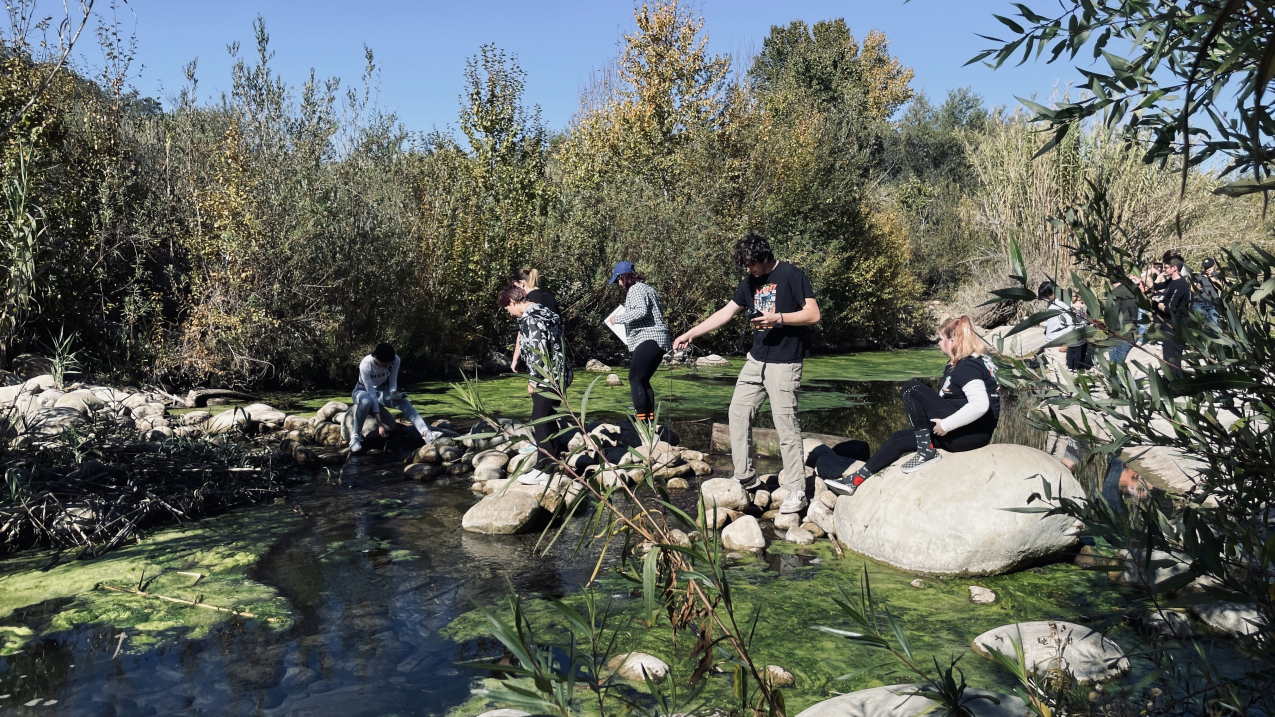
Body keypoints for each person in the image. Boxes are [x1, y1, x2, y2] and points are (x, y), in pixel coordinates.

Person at [672, 234, 820, 514]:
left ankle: (797, 490)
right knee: (738, 413)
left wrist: (778, 318)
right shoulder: (749, 282)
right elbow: (726, 313)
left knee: (785, 424)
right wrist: (690, 333)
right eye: (744, 265)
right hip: (756, 360)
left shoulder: (791, 275)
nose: (747, 269)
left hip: (785, 362)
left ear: (764, 258)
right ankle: (746, 477)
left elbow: (813, 314)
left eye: (750, 264)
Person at [823, 316, 1000, 496]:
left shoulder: (968, 366)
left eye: (941, 339)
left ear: (953, 341)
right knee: (898, 439)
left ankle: (926, 452)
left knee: (911, 388)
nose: (939, 343)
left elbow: (980, 405)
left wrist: (946, 425)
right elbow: (950, 396)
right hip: (966, 431)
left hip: (969, 434)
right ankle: (855, 481)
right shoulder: (965, 361)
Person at [499, 284, 574, 485]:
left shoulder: (530, 318)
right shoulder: (544, 311)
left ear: (513, 302)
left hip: (546, 375)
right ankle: (555, 460)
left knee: (539, 418)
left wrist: (534, 379)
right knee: (548, 415)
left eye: (508, 309)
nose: (510, 314)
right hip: (561, 371)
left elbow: (537, 351)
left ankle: (543, 469)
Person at [607, 261, 671, 425]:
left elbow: (641, 311)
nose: (619, 284)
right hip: (660, 339)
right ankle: (649, 420)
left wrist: (618, 319)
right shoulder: (648, 288)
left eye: (618, 280)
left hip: (649, 337)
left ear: (623, 277)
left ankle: (641, 422)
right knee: (643, 380)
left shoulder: (635, 289)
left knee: (634, 379)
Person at [350, 343, 441, 454]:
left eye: (390, 364)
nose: (388, 367)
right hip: (362, 390)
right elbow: (372, 394)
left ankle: (426, 433)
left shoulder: (396, 360)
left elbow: (392, 381)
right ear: (375, 358)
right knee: (366, 401)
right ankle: (355, 437)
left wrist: (393, 392)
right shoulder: (366, 364)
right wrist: (380, 424)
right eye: (384, 364)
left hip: (382, 390)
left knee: (404, 402)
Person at [509, 268, 559, 373]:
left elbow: (522, 333)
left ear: (521, 284)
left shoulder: (526, 302)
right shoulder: (550, 297)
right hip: (557, 359)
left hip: (538, 362)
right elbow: (560, 327)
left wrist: (515, 359)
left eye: (516, 287)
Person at [1155, 255, 1191, 379]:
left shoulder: (1180, 284)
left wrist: (1160, 306)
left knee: (1173, 354)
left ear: (1174, 268)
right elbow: (1156, 286)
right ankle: (1169, 377)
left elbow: (1171, 309)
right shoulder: (1171, 281)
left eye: (1166, 267)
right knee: (1167, 352)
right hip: (1167, 323)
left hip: (1176, 324)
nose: (1164, 270)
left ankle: (1175, 380)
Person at [1037, 282, 1086, 372]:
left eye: (1048, 296)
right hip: (1049, 341)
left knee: (1061, 371)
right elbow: (1054, 321)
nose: (1047, 298)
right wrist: (1043, 323)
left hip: (1058, 342)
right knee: (1052, 369)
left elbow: (1071, 324)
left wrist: (1066, 342)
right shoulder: (1051, 303)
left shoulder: (1064, 303)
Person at [1107, 279, 1139, 364]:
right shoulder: (1133, 291)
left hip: (1118, 336)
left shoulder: (1115, 293)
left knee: (1117, 368)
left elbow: (1111, 316)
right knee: (1120, 366)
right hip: (1132, 332)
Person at [1193, 257, 1222, 324]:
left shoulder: (1217, 275)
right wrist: (1197, 288)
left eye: (1209, 267)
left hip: (1213, 303)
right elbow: (1191, 288)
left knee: (1214, 324)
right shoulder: (1198, 276)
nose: (1207, 269)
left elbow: (1221, 287)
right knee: (1202, 324)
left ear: (1213, 266)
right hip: (1199, 303)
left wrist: (1213, 279)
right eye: (1205, 267)